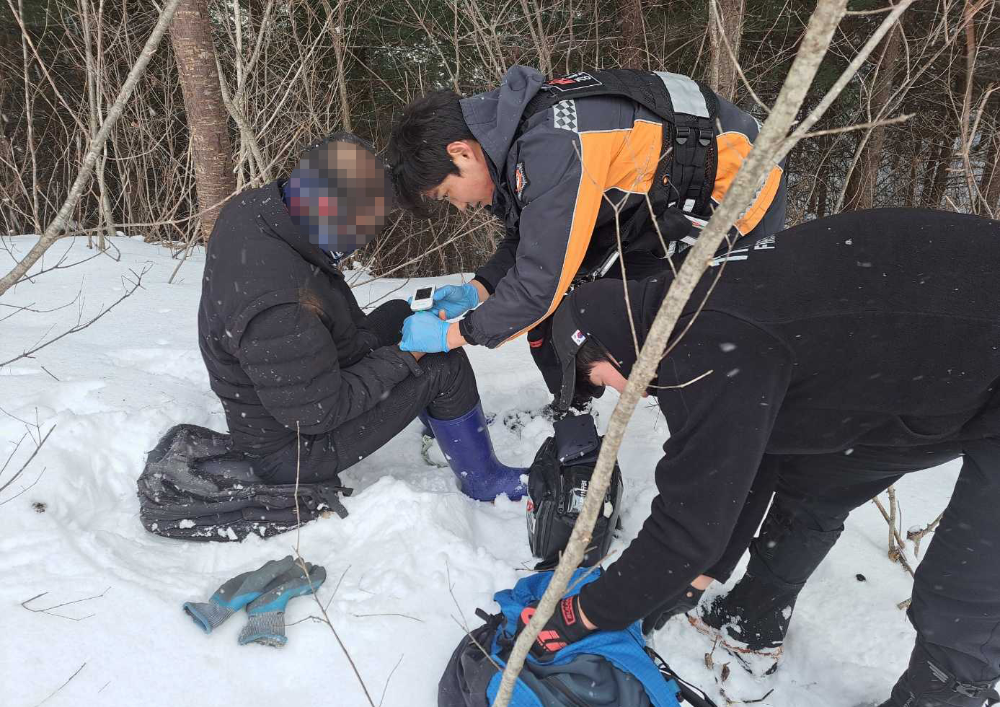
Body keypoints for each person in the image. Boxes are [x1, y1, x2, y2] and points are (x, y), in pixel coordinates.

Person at [518, 208, 1000, 707]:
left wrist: (582, 615)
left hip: (973, 346)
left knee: (964, 591)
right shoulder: (692, 303)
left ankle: (946, 696)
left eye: (601, 382)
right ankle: (754, 617)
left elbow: (688, 524)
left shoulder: (705, 347)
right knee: (816, 478)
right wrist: (689, 582)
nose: (625, 396)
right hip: (940, 370)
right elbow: (749, 460)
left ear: (609, 347)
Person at [387, 65, 786, 403]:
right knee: (575, 314)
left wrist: (453, 334)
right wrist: (478, 289)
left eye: (445, 194)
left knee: (706, 333)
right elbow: (534, 238)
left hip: (740, 197)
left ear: (461, 152)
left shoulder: (552, 145)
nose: (459, 206)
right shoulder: (518, 138)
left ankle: (716, 428)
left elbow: (538, 286)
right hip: (657, 207)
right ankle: (576, 413)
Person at [196, 133, 525, 501]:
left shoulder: (265, 212)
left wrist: (469, 294)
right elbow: (320, 412)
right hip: (295, 449)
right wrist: (408, 354)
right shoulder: (279, 308)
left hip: (300, 378)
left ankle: (449, 422)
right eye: (361, 227)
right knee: (442, 363)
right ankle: (485, 480)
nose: (365, 239)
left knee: (403, 314)